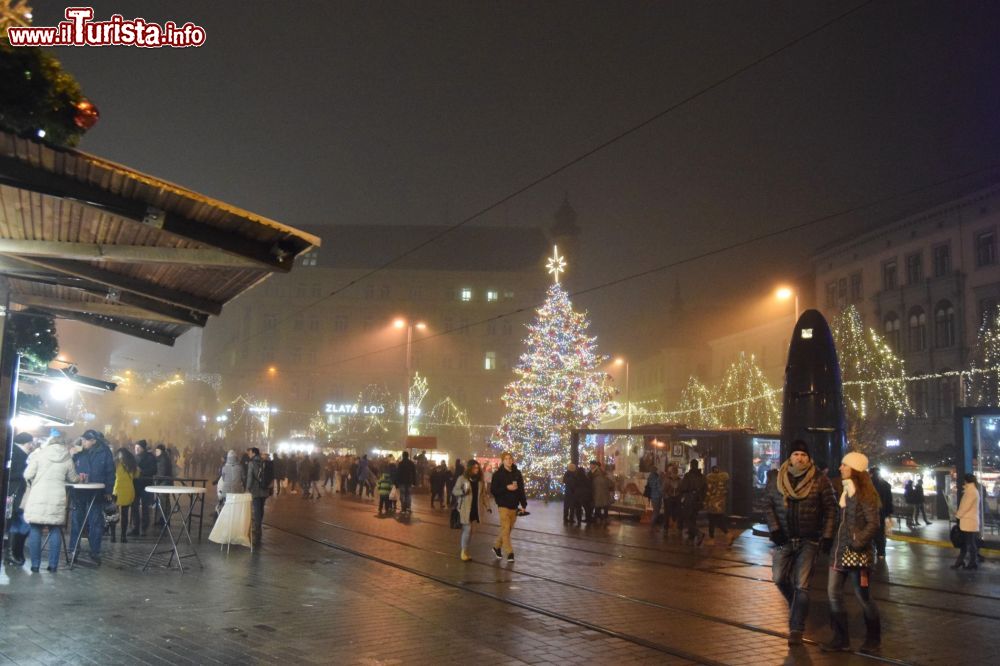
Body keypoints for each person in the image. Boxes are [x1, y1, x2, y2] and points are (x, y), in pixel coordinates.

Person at [763, 439, 837, 646]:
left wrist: (828, 535)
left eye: (803, 455)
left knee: (802, 585)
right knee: (778, 578)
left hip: (808, 540)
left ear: (809, 458)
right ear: (790, 457)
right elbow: (767, 505)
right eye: (796, 454)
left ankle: (796, 628)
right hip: (783, 539)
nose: (800, 457)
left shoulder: (820, 480)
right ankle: (796, 605)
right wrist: (775, 529)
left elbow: (831, 509)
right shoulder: (777, 479)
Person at [823, 451, 881, 654]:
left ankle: (873, 639)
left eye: (844, 465)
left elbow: (873, 523)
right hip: (838, 552)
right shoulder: (844, 490)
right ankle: (841, 638)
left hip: (857, 554)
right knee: (833, 594)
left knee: (863, 597)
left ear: (854, 469)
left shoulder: (865, 493)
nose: (840, 468)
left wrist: (858, 542)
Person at [23, 435, 80, 572]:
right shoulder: (67, 458)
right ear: (64, 444)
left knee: (35, 528)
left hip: (38, 496)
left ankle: (35, 565)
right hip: (57, 498)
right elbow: (73, 478)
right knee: (55, 529)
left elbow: (27, 474)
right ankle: (53, 565)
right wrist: (79, 478)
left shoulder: (39, 454)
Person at [70, 430, 115, 565]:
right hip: (79, 492)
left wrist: (108, 490)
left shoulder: (105, 452)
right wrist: (72, 453)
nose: (83, 442)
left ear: (94, 441)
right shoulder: (78, 451)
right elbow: (70, 468)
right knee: (77, 521)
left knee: (95, 522)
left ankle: (95, 552)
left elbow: (110, 471)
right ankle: (73, 550)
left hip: (96, 492)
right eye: (82, 440)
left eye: (85, 440)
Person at [4, 432, 37, 566]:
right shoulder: (18, 453)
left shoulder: (18, 452)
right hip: (17, 493)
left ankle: (15, 553)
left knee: (20, 522)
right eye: (30, 443)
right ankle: (12, 553)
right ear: (26, 443)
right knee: (19, 521)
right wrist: (26, 474)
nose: (32, 445)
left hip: (18, 492)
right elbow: (10, 473)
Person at [489, 452, 527, 562]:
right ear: (503, 461)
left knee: (507, 529)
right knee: (505, 528)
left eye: (510, 458)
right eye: (506, 459)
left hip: (514, 506)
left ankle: (496, 547)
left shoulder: (517, 473)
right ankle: (510, 553)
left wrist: (523, 504)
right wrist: (506, 488)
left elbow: (521, 490)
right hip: (503, 505)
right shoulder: (498, 474)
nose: (509, 460)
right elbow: (493, 490)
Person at [453, 459, 492, 560]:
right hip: (465, 508)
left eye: (478, 468)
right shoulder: (462, 478)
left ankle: (465, 550)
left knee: (471, 531)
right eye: (474, 468)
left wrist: (488, 506)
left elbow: (483, 495)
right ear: (469, 468)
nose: (477, 469)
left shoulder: (480, 481)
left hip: (476, 508)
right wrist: (462, 491)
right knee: (467, 529)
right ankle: (463, 552)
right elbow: (455, 491)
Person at [951, 473, 982, 570]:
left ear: (966, 481)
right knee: (965, 543)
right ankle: (960, 562)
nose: (963, 482)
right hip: (968, 521)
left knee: (970, 543)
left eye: (964, 480)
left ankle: (972, 562)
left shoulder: (971, 492)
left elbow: (965, 507)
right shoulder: (971, 490)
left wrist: (957, 515)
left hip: (969, 521)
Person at [129, 439, 158, 536]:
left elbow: (154, 470)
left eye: (138, 448)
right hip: (135, 485)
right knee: (134, 507)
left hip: (146, 485)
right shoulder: (134, 457)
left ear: (143, 448)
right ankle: (135, 528)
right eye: (135, 447)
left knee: (145, 507)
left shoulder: (150, 457)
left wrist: (141, 471)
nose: (136, 449)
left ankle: (144, 528)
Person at [246, 447, 273, 549]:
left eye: (250, 452)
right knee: (261, 508)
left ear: (253, 453)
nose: (249, 454)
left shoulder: (252, 463)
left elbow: (250, 477)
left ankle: (257, 527)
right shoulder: (264, 461)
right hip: (264, 489)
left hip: (256, 490)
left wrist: (247, 488)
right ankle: (259, 524)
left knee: (257, 508)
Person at [111, 447, 139, 544]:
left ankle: (113, 536)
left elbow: (111, 475)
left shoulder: (116, 463)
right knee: (125, 515)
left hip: (117, 491)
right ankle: (123, 536)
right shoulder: (132, 465)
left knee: (113, 515)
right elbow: (137, 475)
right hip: (128, 491)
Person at [678, 459, 707, 545]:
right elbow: (705, 489)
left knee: (687, 518)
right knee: (693, 518)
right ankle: (692, 536)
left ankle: (698, 533)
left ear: (691, 465)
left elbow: (683, 487)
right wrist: (702, 499)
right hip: (698, 500)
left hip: (689, 499)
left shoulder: (688, 476)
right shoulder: (702, 476)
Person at [705, 465, 733, 545]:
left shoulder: (710, 480)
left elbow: (708, 493)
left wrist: (705, 502)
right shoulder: (723, 481)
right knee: (720, 521)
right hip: (720, 504)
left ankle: (711, 540)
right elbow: (726, 491)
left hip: (712, 504)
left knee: (711, 522)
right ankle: (728, 534)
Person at [870, 466, 893, 559]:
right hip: (881, 513)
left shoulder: (868, 484)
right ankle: (881, 552)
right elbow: (889, 501)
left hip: (870, 512)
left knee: (870, 532)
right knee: (880, 532)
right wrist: (889, 513)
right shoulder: (886, 485)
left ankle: (872, 550)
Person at [662, 464, 682, 535]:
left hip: (676, 498)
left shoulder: (680, 480)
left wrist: (680, 496)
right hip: (669, 498)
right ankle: (665, 528)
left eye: (675, 472)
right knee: (667, 514)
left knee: (677, 513)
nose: (674, 474)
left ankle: (677, 527)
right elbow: (664, 490)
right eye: (673, 472)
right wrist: (666, 496)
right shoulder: (667, 480)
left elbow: (681, 489)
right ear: (671, 472)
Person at [645, 466, 663, 530]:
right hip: (657, 496)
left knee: (655, 511)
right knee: (656, 512)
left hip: (653, 495)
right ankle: (652, 526)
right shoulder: (656, 478)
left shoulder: (650, 477)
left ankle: (653, 526)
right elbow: (659, 488)